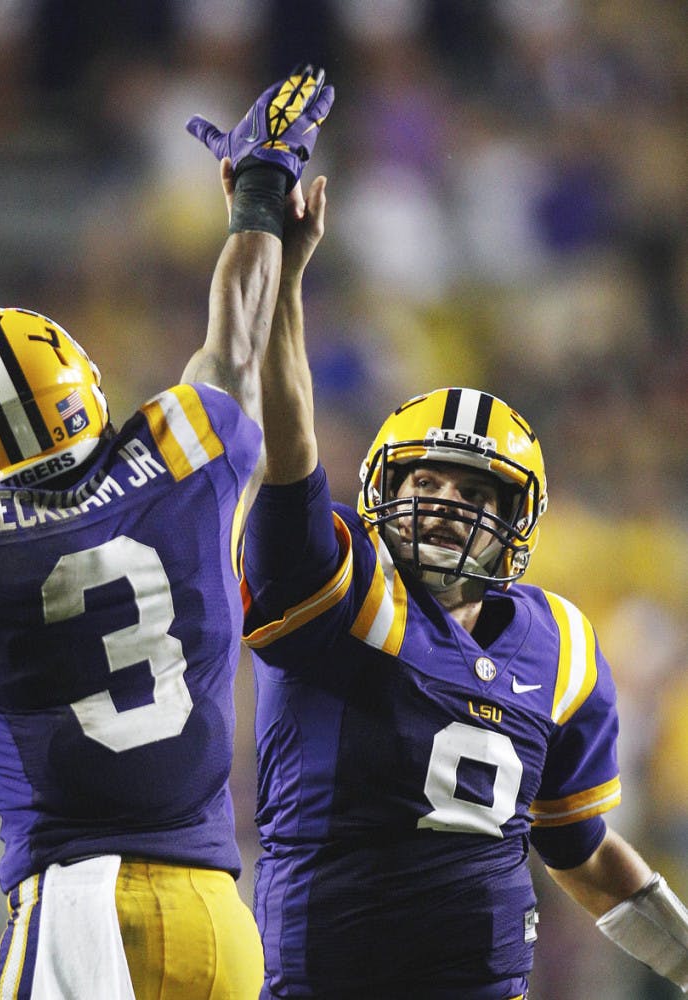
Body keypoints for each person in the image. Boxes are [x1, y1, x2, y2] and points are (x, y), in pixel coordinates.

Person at [0, 66, 333, 1000]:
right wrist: (262, 187)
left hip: (82, 904)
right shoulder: (188, 448)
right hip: (222, 915)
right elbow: (235, 327)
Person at [228, 167, 688, 997]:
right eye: (425, 486)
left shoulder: (563, 646)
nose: (444, 506)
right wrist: (278, 271)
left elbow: (581, 849)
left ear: (517, 519)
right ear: (382, 494)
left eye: (474, 493)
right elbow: (286, 450)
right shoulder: (338, 592)